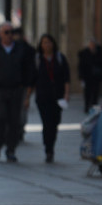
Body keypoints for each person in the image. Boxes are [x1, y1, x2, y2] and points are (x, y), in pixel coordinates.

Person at [0, 22, 35, 162]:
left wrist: (28, 89)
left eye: (12, 32)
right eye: (6, 32)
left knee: (14, 120)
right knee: (0, 118)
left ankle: (11, 149)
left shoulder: (21, 49)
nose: (10, 35)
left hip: (17, 89)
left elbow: (29, 68)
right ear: (0, 34)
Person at [31, 34, 70, 163]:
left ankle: (50, 145)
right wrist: (27, 97)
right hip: (43, 96)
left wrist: (66, 94)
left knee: (55, 123)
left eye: (49, 42)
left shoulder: (59, 58)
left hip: (57, 96)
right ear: (41, 45)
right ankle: (48, 149)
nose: (47, 45)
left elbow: (66, 77)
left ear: (53, 44)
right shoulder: (37, 59)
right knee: (46, 122)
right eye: (44, 43)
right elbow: (32, 79)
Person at [78, 36, 101, 113]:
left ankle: (94, 108)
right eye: (91, 44)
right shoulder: (84, 53)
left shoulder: (99, 51)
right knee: (87, 93)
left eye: (93, 44)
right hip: (87, 77)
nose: (92, 45)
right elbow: (80, 66)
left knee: (95, 93)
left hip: (96, 77)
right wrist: (81, 77)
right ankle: (87, 107)